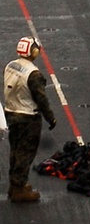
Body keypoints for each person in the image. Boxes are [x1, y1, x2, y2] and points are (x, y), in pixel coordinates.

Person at [3, 36, 56, 204]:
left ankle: (14, 185)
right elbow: (41, 99)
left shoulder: (10, 65)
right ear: (33, 51)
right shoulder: (33, 73)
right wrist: (51, 118)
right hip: (28, 117)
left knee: (15, 149)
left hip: (11, 113)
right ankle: (19, 189)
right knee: (25, 152)